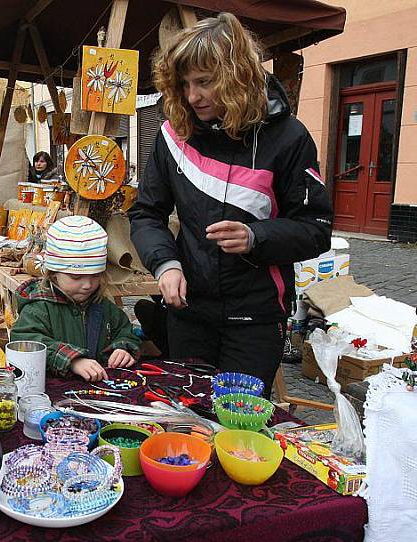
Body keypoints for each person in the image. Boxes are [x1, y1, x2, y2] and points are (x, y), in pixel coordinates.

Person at [129, 13, 333, 397]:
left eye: (204, 82)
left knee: (241, 425)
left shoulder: (289, 138)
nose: (192, 97)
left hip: (255, 316)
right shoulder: (173, 135)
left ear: (236, 75)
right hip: (189, 310)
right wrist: (165, 264)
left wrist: (257, 236)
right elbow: (146, 213)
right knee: (187, 418)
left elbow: (316, 228)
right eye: (185, 84)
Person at [10, 216, 140, 381]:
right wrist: (73, 361)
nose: (87, 285)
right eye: (76, 277)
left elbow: (125, 332)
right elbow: (25, 340)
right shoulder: (38, 308)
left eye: (95, 276)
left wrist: (123, 348)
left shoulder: (103, 306)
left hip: (97, 388)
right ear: (54, 274)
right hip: (53, 388)